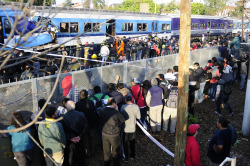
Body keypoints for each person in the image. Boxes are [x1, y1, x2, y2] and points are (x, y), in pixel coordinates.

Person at [60, 100, 88, 166]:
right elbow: (86, 126)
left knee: (70, 156)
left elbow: (63, 130)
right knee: (80, 155)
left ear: (66, 108)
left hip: (69, 140)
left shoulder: (63, 117)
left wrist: (70, 137)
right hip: (79, 138)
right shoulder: (81, 114)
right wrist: (80, 136)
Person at [99, 98, 125, 166]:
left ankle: (107, 163)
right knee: (115, 151)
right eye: (115, 103)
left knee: (106, 151)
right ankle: (116, 164)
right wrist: (117, 110)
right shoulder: (115, 112)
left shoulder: (102, 110)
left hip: (104, 133)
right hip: (114, 134)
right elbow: (122, 120)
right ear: (113, 104)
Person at [75, 90, 98, 156]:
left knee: (85, 139)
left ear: (80, 96)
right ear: (87, 95)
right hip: (91, 123)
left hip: (83, 124)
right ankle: (93, 151)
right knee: (92, 137)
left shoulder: (78, 104)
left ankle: (87, 153)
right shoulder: (91, 102)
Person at [121, 95, 141, 162]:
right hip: (133, 128)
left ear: (126, 100)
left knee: (125, 143)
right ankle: (133, 155)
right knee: (132, 142)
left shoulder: (123, 107)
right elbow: (138, 117)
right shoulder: (136, 106)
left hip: (125, 128)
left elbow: (120, 117)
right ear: (132, 100)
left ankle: (125, 157)